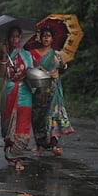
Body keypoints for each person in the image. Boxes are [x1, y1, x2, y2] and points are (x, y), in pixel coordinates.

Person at [28, 26, 74, 156]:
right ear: (40, 38)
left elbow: (63, 67)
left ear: (52, 39)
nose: (46, 38)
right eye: (44, 36)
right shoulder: (32, 53)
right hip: (38, 90)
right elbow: (29, 69)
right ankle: (39, 145)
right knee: (38, 117)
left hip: (53, 90)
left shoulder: (56, 54)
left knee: (53, 116)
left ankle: (54, 145)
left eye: (48, 36)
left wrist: (63, 65)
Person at [0, 26, 33, 171]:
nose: (15, 39)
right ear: (8, 39)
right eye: (12, 36)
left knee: (23, 127)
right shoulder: (5, 55)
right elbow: (1, 74)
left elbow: (31, 72)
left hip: (25, 92)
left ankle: (16, 156)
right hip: (10, 91)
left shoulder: (27, 55)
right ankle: (13, 156)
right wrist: (5, 56)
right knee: (9, 126)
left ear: (21, 38)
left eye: (17, 36)